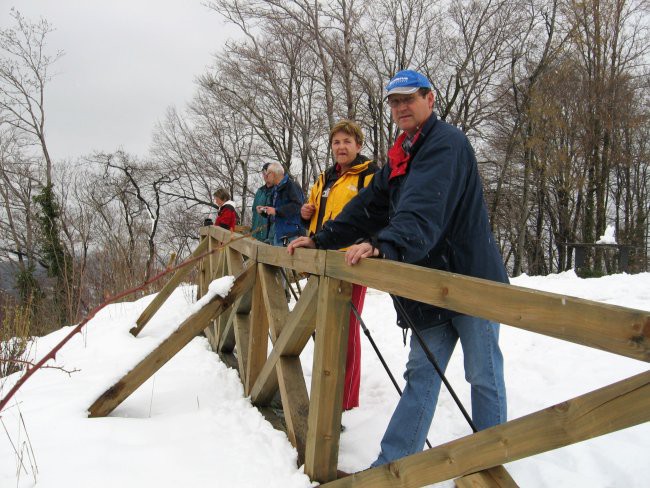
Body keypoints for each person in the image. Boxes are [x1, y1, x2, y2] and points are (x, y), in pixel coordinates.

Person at [288, 69, 507, 467]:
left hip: (471, 279)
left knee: (483, 375)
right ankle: (393, 465)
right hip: (425, 284)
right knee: (421, 376)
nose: (401, 106)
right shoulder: (400, 154)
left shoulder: (446, 144)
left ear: (430, 99)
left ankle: (490, 464)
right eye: (394, 101)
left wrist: (384, 244)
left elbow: (423, 209)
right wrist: (322, 237)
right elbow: (369, 206)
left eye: (409, 98)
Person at [301, 120, 377, 411]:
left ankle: (346, 402)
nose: (341, 147)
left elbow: (378, 214)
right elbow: (315, 218)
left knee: (346, 331)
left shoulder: (369, 175)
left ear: (359, 145)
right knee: (323, 328)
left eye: (347, 141)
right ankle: (326, 390)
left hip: (351, 262)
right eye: (336, 142)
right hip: (322, 261)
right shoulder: (324, 178)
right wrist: (305, 214)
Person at [256, 162, 304, 247]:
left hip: (291, 234)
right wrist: (263, 211)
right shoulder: (275, 190)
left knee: (287, 260)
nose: (266, 177)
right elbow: (273, 211)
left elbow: (297, 206)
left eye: (267, 174)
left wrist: (276, 211)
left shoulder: (291, 185)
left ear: (273, 174)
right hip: (277, 234)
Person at [251, 163, 275, 243]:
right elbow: (254, 212)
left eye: (267, 173)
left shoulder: (278, 191)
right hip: (256, 233)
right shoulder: (260, 191)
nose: (265, 176)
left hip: (270, 235)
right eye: (264, 174)